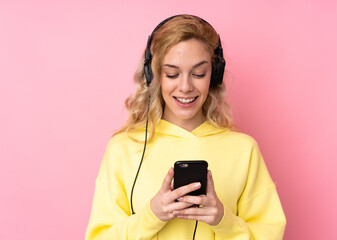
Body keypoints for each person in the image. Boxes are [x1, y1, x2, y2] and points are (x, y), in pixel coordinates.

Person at [85, 14, 286, 240]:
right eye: (172, 74)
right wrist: (152, 216)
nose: (185, 86)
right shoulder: (123, 149)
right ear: (154, 75)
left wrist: (223, 220)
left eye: (199, 73)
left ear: (214, 75)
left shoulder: (243, 149)